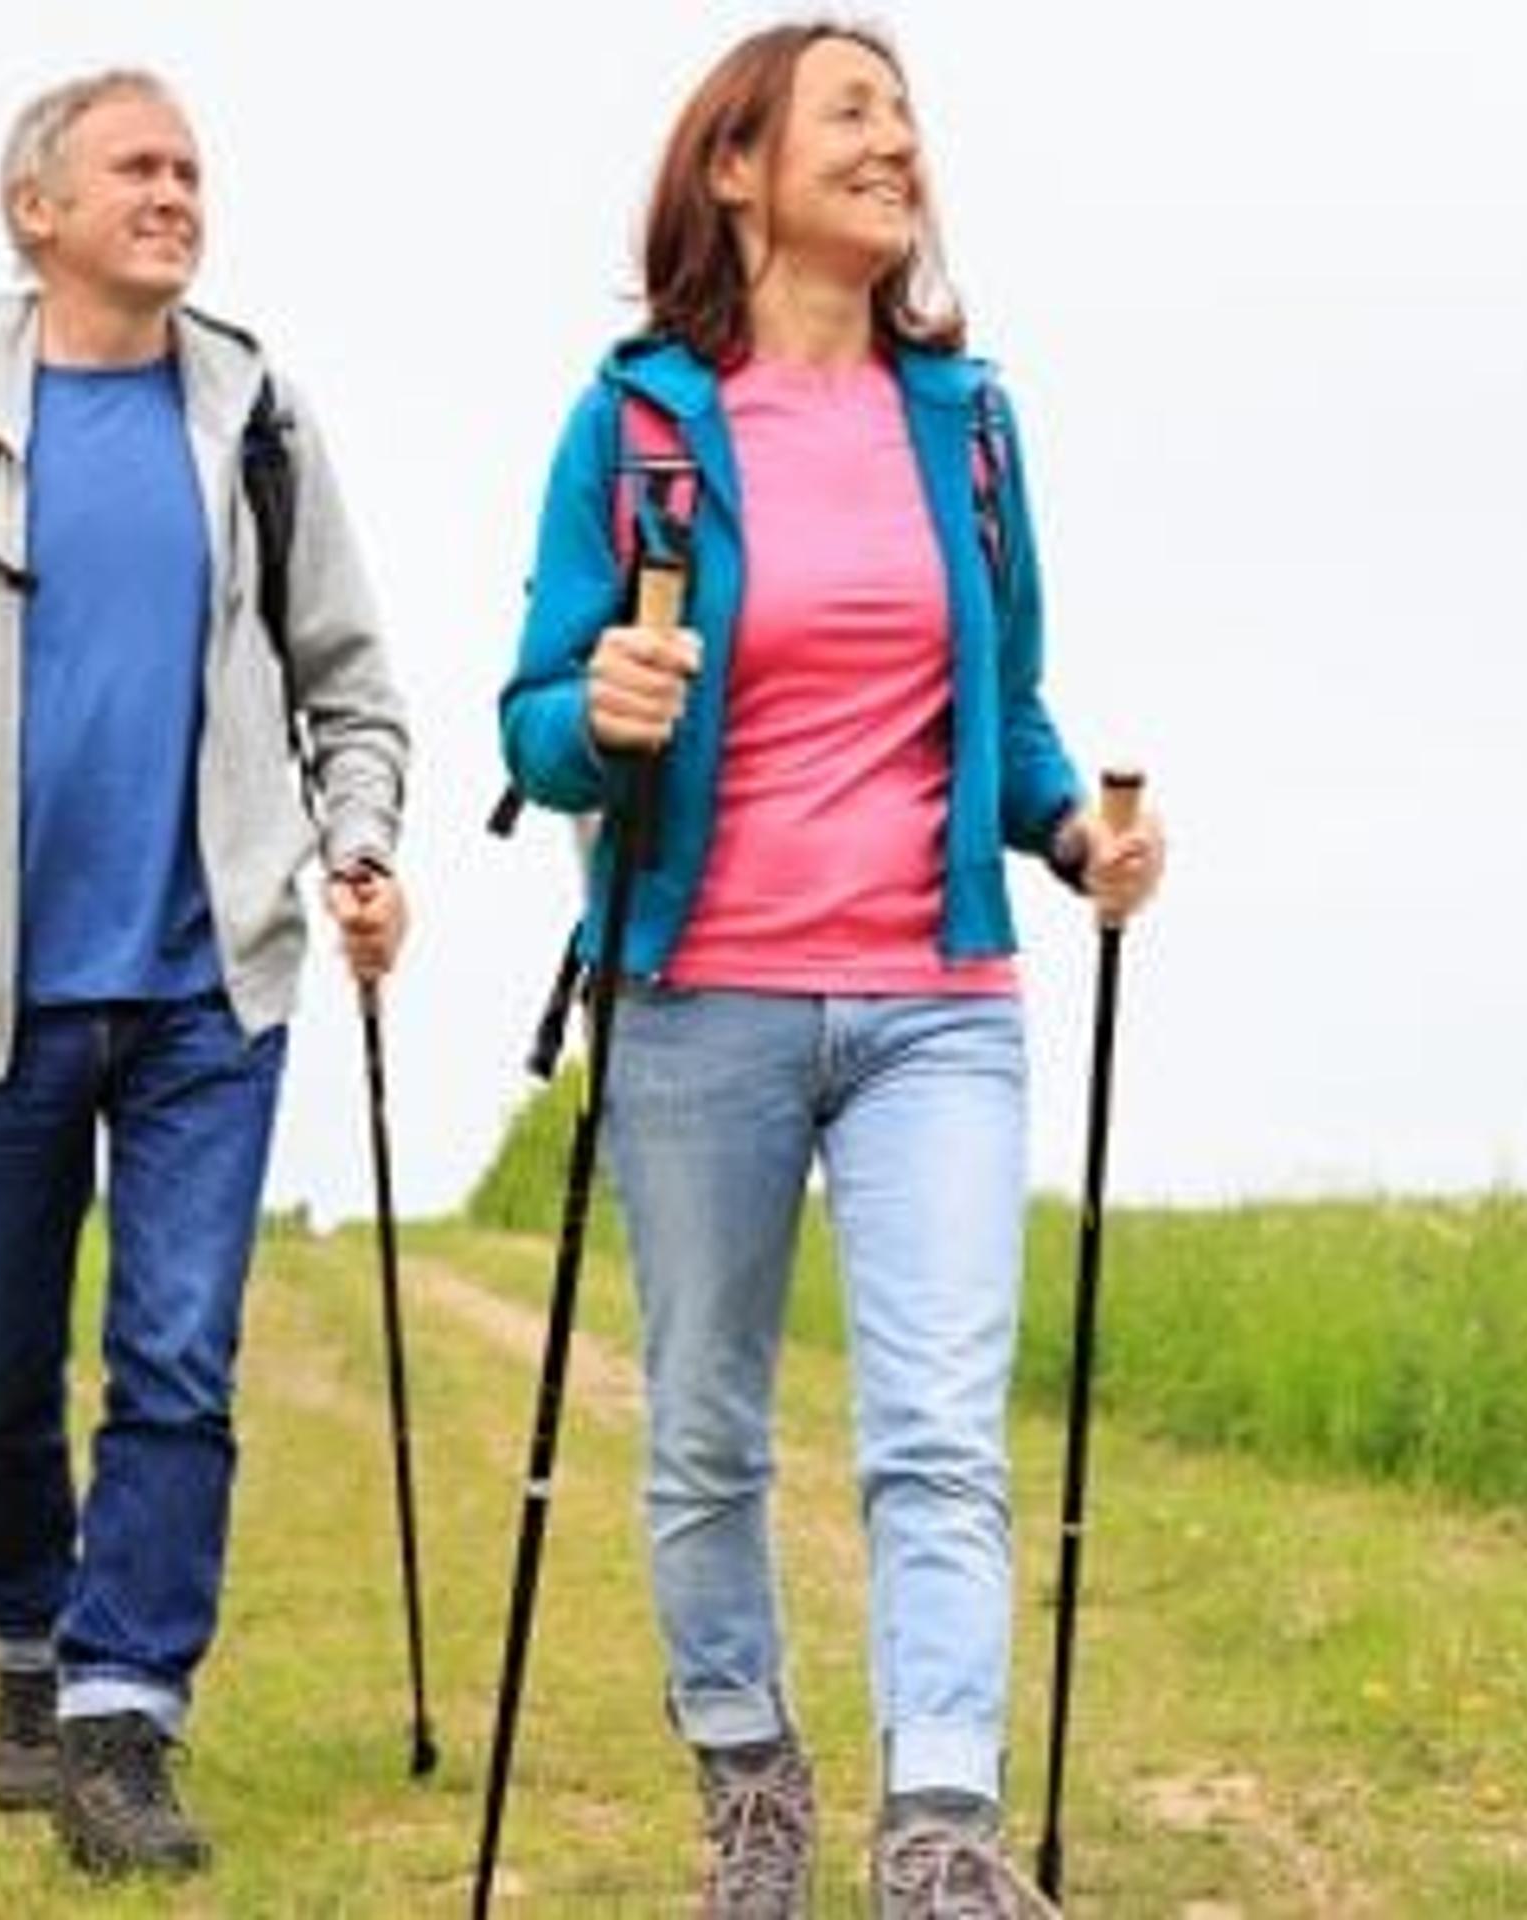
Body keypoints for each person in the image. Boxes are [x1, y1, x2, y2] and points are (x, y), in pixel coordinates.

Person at [496, 23, 1165, 1918]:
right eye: (853, 112)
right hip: (695, 989)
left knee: (938, 1429)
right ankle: (751, 1786)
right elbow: (537, 717)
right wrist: (593, 708)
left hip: (933, 999)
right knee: (704, 1429)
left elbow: (1006, 706)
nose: (899, 145)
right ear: (738, 167)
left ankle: (939, 1839)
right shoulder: (632, 423)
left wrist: (1070, 836)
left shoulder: (970, 425)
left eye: (908, 119)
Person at [0, 69, 409, 1882]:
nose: (177, 193)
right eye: (139, 167)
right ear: (32, 207)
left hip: (214, 971)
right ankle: (29, 1652)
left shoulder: (258, 418)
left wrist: (355, 843)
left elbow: (349, 681)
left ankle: (126, 1720)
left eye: (193, 168)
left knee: (177, 1353)